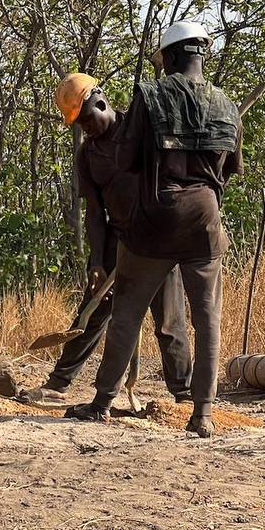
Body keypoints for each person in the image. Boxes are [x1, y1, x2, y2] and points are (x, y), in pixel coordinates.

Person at [66, 22, 242, 437]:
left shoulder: (151, 95)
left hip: (155, 221)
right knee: (207, 318)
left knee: (125, 313)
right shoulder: (227, 104)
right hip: (205, 219)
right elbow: (232, 169)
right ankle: (202, 415)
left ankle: (102, 402)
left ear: (171, 57)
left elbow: (127, 159)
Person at [20, 74, 193, 406]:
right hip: (117, 240)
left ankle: (184, 396)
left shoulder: (143, 134)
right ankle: (59, 383)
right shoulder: (88, 156)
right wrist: (98, 261)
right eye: (78, 123)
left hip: (158, 239)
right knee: (93, 311)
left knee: (168, 321)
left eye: (86, 119)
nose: (85, 128)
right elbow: (95, 213)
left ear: (100, 103)